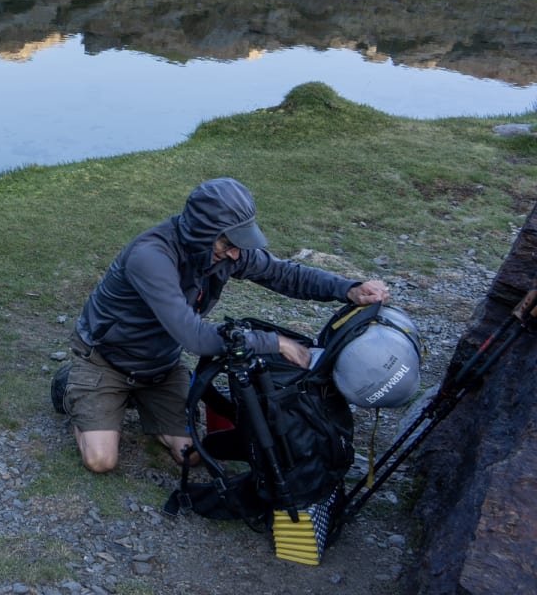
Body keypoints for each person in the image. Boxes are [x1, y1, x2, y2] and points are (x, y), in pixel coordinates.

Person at [62, 177, 390, 473]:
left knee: (190, 457)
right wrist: (274, 342)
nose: (235, 254)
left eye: (239, 244)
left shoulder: (225, 252)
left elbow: (284, 274)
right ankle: (72, 388)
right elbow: (195, 338)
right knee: (101, 461)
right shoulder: (151, 257)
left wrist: (348, 288)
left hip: (159, 367)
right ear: (201, 233)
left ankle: (134, 400)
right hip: (107, 361)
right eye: (227, 244)